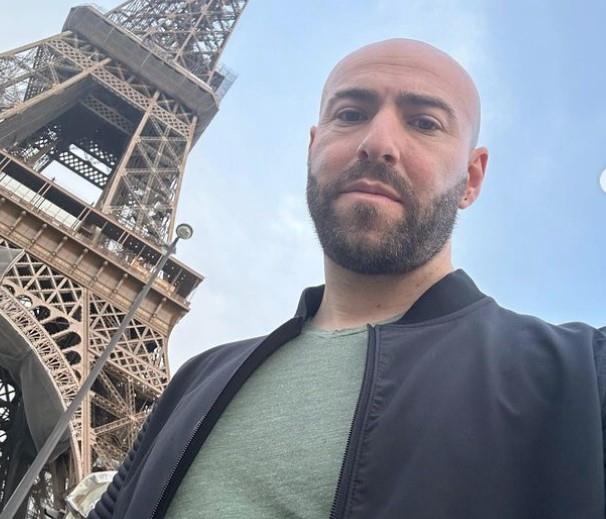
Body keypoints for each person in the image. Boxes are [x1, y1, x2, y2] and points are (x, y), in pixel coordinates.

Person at [89, 39, 606, 519]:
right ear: (313, 148)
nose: (378, 143)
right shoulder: (195, 380)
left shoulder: (583, 378)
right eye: (351, 114)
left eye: (424, 123)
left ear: (471, 179)